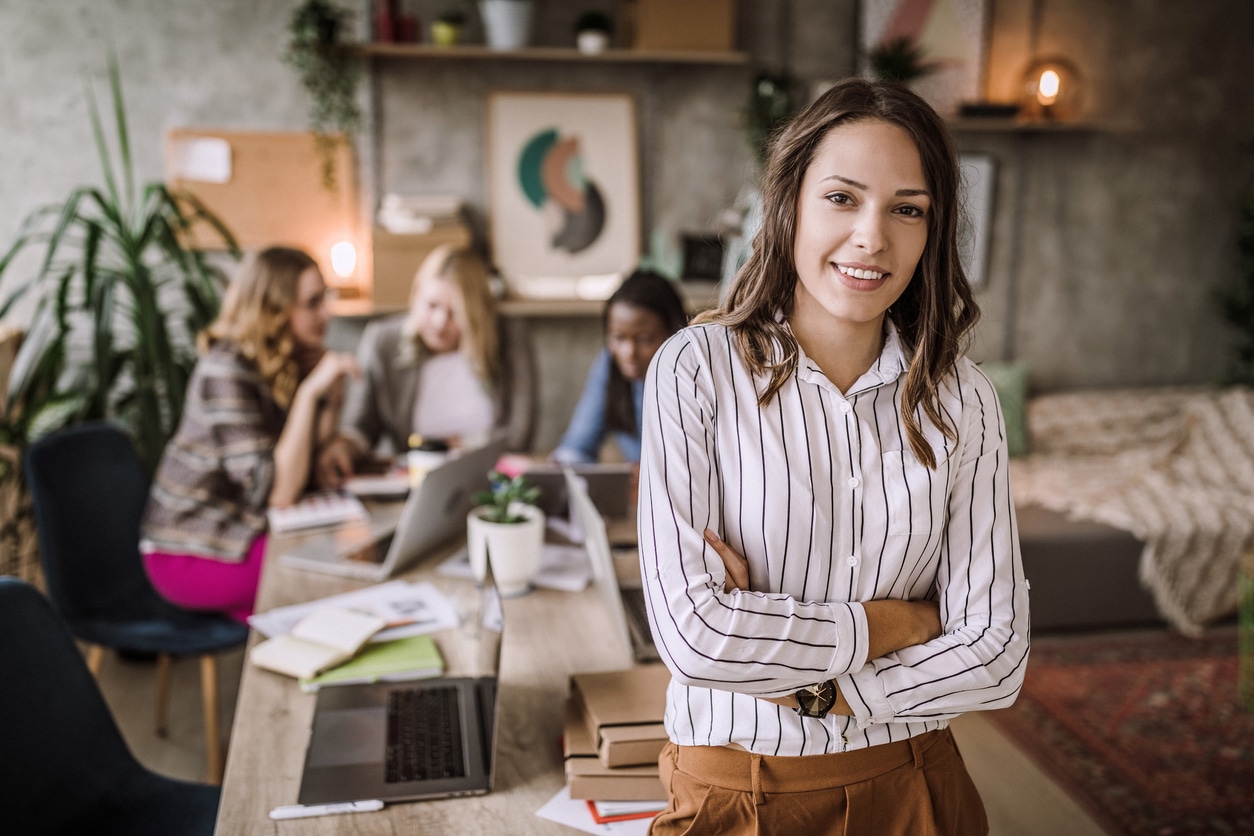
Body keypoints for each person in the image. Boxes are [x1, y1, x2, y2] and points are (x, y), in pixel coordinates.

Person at [638, 78, 1030, 835]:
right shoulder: (695, 370)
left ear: (932, 229)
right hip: (733, 791)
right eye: (842, 198)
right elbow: (696, 637)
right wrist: (897, 622)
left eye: (906, 209)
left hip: (918, 785)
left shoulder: (965, 400)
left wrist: (822, 691)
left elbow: (996, 654)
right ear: (789, 206)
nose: (871, 238)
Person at [141, 246, 359, 622]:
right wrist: (309, 395)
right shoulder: (223, 371)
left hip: (249, 527)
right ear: (273, 308)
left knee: (343, 560)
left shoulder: (291, 358)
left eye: (325, 298)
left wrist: (331, 399)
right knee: (327, 573)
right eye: (312, 303)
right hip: (192, 548)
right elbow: (278, 490)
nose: (326, 313)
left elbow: (312, 468)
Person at [315, 245, 534, 483]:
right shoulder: (384, 342)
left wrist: (448, 444)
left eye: (456, 313)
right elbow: (360, 425)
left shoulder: (509, 337)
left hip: (489, 480)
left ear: (477, 313)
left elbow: (518, 435)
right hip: (419, 484)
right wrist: (343, 447)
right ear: (416, 297)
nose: (440, 322)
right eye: (432, 306)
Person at [552, 270, 687, 464]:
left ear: (674, 332)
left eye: (644, 339)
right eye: (618, 338)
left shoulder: (693, 378)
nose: (628, 353)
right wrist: (564, 465)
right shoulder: (609, 366)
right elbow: (578, 444)